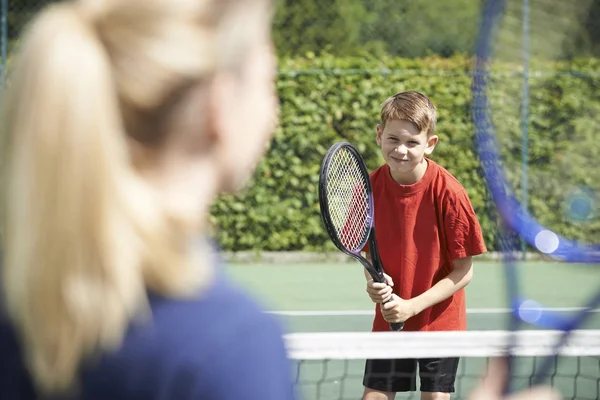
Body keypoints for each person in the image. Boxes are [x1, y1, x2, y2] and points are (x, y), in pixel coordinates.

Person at [0, 0, 296, 399]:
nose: (272, 112)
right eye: (268, 83)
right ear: (219, 105)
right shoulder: (229, 345)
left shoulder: (18, 309)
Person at [360, 91, 487, 400]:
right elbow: (367, 253)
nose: (401, 150)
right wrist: (374, 284)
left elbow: (463, 272)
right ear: (379, 135)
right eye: (393, 139)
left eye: (412, 142)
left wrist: (412, 306)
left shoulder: (450, 193)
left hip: (440, 323)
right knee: (374, 395)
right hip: (390, 319)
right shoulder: (368, 188)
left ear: (430, 144)